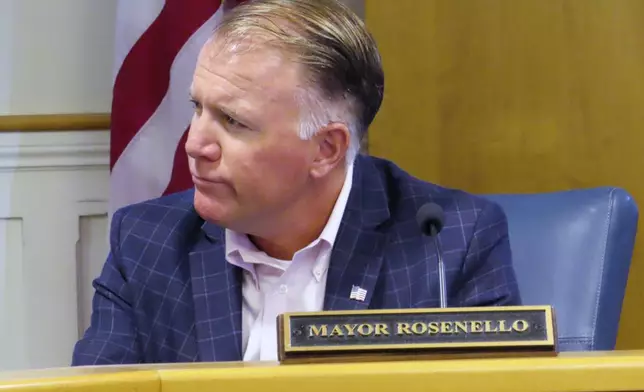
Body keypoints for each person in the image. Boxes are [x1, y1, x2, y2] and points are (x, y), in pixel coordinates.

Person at [72, 0, 521, 365]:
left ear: (326, 149)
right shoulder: (148, 243)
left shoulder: (449, 245)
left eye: (233, 121)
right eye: (197, 108)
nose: (195, 144)